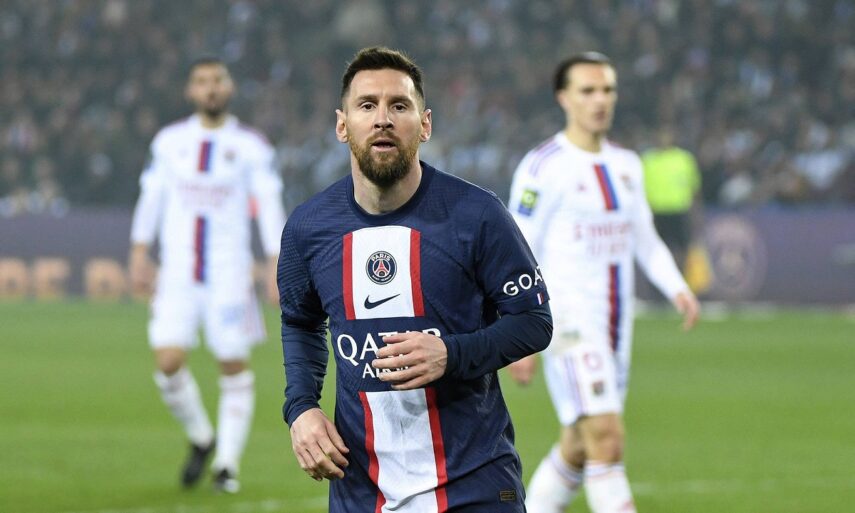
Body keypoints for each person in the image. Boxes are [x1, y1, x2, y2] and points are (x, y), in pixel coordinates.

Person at [278, 46, 552, 513]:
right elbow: (300, 322)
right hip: (362, 489)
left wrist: (451, 353)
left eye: (399, 106)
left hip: (475, 484)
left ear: (425, 125)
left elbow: (534, 321)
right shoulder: (309, 228)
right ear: (342, 125)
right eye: (367, 105)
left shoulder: (477, 215)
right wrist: (301, 406)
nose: (383, 119)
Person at [506, 52, 700, 513]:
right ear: (564, 98)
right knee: (607, 437)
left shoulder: (628, 164)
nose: (600, 100)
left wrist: (677, 288)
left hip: (616, 324)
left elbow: (644, 240)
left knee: (578, 444)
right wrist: (517, 333)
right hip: (567, 322)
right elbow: (515, 251)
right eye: (588, 91)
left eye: (607, 90)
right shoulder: (543, 166)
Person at [129, 56, 286, 493]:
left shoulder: (252, 145)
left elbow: (269, 205)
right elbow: (151, 197)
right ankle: (202, 437)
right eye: (202, 81)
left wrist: (276, 262)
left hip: (229, 272)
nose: (211, 88)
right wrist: (139, 251)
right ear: (190, 90)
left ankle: (226, 465)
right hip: (177, 272)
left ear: (229, 87)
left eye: (217, 80)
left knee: (232, 362)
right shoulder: (169, 142)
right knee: (167, 363)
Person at [641, 124, 703, 275]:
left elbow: (694, 188)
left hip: (679, 211)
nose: (664, 139)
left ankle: (680, 278)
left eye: (667, 135)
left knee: (682, 250)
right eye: (661, 135)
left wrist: (696, 213)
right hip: (656, 212)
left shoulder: (684, 159)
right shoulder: (648, 160)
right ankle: (659, 282)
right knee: (657, 250)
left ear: (673, 137)